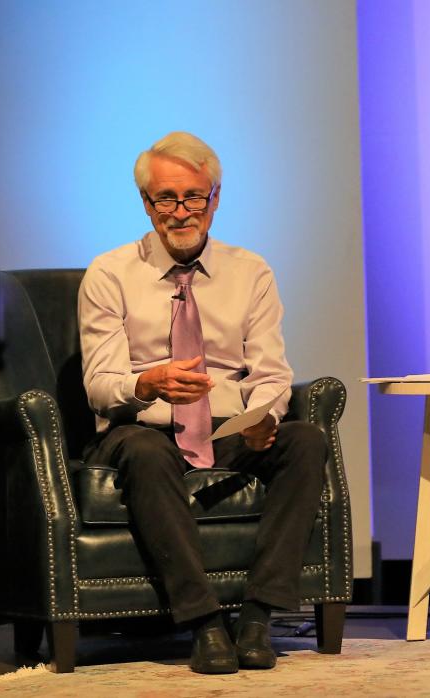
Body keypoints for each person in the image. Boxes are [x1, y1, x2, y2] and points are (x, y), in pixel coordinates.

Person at [78, 132, 328, 674]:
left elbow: (271, 372)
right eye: (166, 199)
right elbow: (99, 383)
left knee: (305, 440)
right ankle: (204, 623)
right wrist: (149, 383)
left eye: (194, 196)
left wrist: (263, 419)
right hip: (142, 430)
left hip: (227, 427)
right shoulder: (109, 274)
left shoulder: (251, 272)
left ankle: (259, 617)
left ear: (215, 198)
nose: (181, 211)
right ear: (147, 205)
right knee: (145, 451)